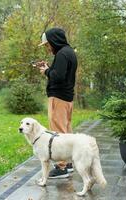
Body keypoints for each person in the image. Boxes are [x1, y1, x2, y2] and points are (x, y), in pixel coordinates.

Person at [37, 27, 78, 179]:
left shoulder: (62, 54)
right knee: (66, 131)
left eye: (47, 44)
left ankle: (62, 167)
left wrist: (46, 72)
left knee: (58, 133)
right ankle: (68, 164)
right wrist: (49, 68)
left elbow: (58, 77)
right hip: (66, 98)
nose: (48, 48)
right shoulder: (69, 52)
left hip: (58, 98)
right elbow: (61, 73)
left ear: (54, 40)